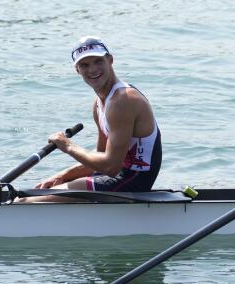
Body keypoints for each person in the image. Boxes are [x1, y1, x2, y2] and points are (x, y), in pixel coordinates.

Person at [35, 36, 161, 192]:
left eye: (98, 61)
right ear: (77, 70)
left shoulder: (123, 100)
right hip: (119, 176)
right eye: (84, 65)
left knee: (26, 201)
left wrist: (68, 146)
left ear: (110, 60)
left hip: (133, 181)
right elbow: (100, 158)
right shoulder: (98, 104)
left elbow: (110, 166)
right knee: (47, 187)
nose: (92, 70)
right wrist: (63, 175)